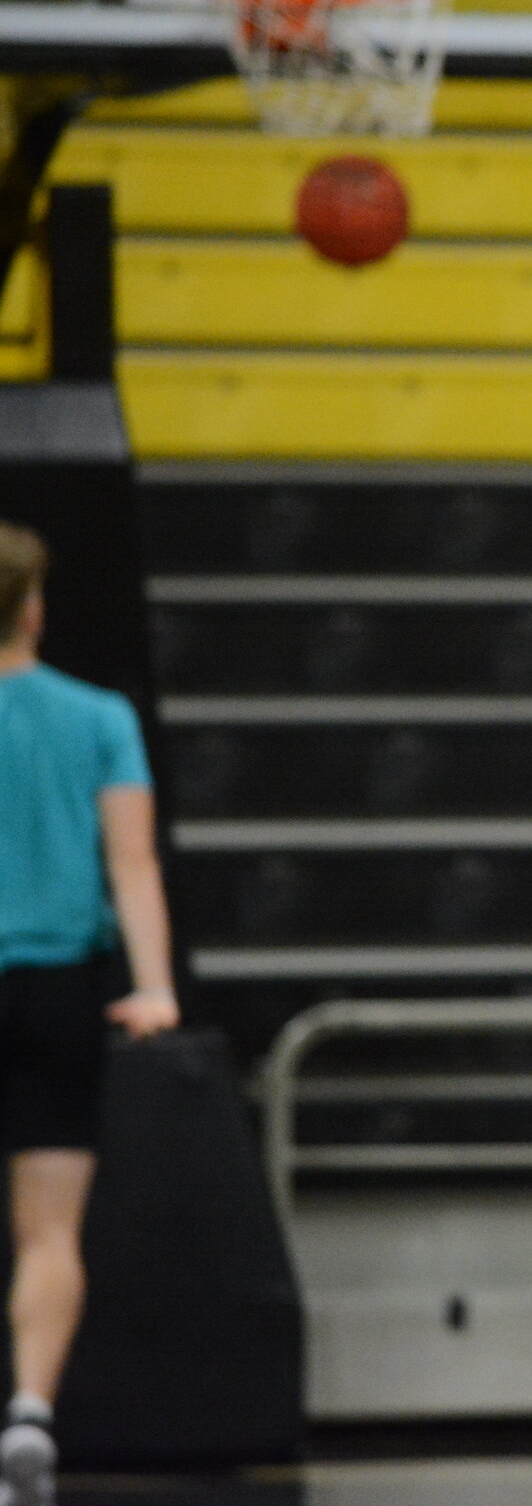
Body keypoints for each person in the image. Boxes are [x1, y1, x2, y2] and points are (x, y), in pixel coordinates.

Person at [0, 522, 181, 1506]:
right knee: (48, 1229)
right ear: (33, 607)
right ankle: (28, 1409)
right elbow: (132, 862)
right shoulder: (100, 715)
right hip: (61, 987)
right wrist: (152, 982)